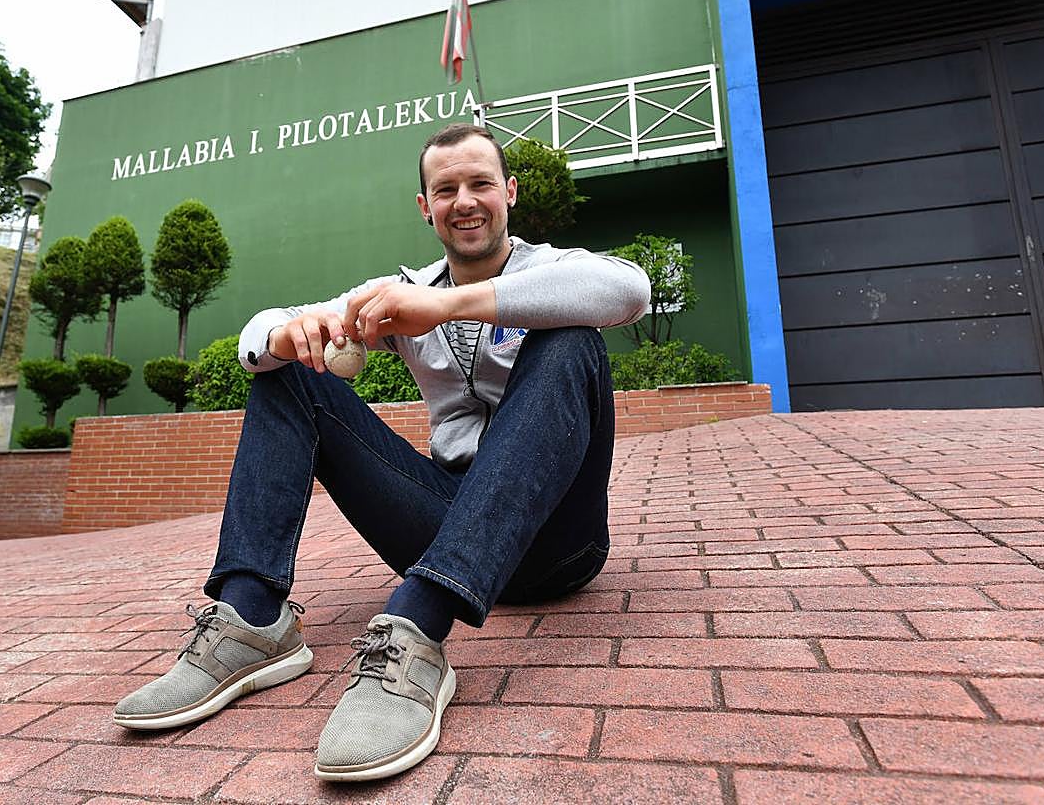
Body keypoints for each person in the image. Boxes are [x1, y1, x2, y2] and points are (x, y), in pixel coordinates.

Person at [112, 123, 651, 781]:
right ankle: (252, 620)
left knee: (572, 341)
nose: (465, 200)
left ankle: (416, 628)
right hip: (441, 522)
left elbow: (628, 292)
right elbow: (257, 335)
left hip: (556, 542)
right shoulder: (397, 291)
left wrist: (445, 306)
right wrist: (288, 334)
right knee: (290, 374)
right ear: (426, 207)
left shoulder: (555, 270)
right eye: (445, 188)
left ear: (508, 192)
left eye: (481, 183)